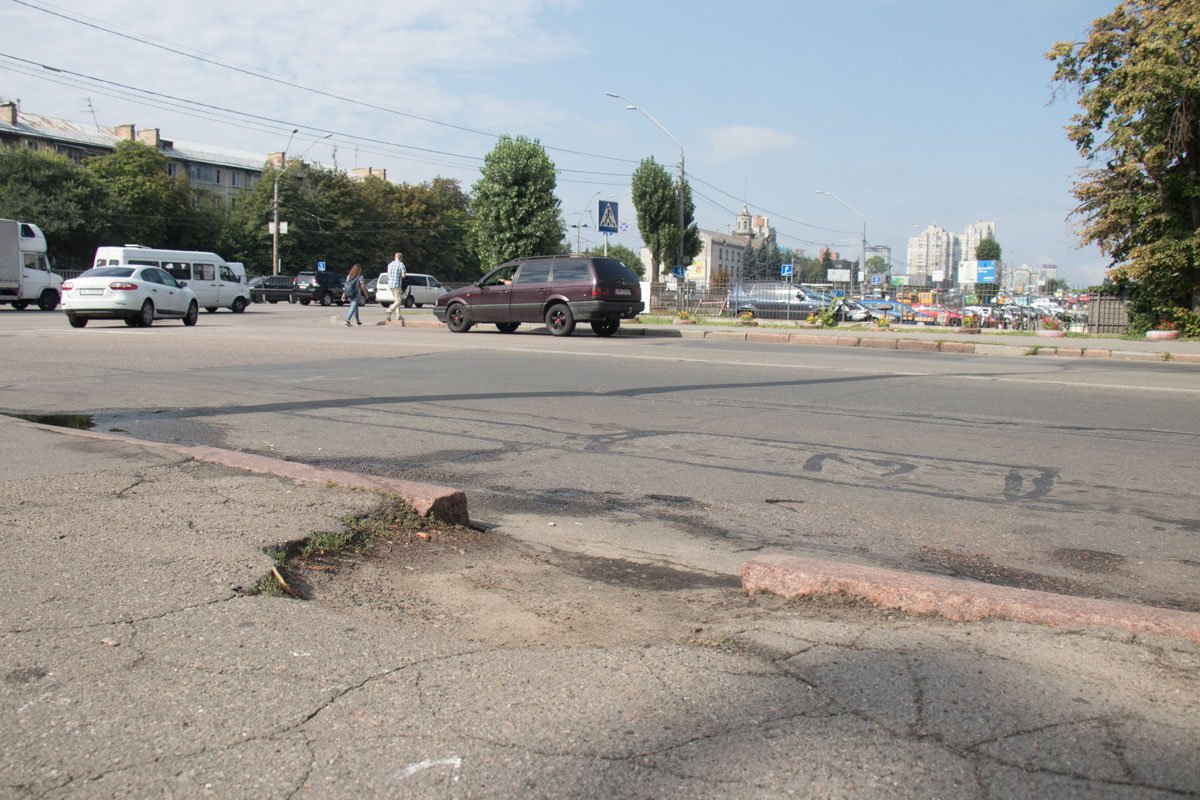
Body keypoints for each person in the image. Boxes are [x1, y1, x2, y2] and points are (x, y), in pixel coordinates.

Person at [384, 251, 407, 322]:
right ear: (401, 258)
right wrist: (402, 275)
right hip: (397, 284)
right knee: (399, 301)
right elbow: (403, 275)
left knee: (396, 300)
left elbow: (388, 275)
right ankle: (389, 310)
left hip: (390, 284)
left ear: (395, 257)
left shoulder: (390, 264)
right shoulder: (401, 264)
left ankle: (398, 315)